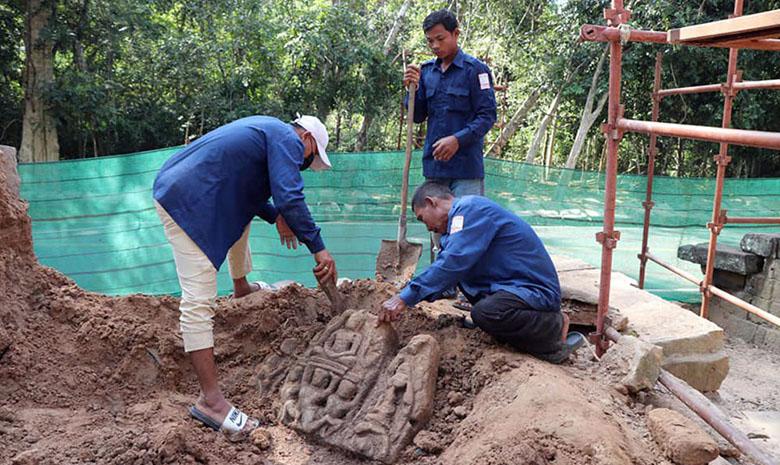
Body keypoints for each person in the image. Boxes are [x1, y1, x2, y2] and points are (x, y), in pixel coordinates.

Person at [152, 115, 338, 439]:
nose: (306, 165)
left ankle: (241, 287)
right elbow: (289, 195)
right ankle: (211, 402)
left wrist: (276, 213)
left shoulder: (268, 133)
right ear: (307, 138)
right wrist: (319, 248)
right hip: (188, 200)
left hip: (185, 186)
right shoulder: (287, 139)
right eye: (311, 158)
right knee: (198, 301)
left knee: (243, 217)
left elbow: (249, 194)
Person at [379, 182, 583, 363]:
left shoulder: (471, 210)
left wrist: (405, 297)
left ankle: (552, 334)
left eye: (423, 219)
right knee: (484, 313)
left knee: (486, 313)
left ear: (431, 202)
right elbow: (448, 270)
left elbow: (452, 263)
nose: (429, 228)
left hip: (531, 291)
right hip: (511, 290)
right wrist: (414, 294)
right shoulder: (455, 228)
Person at [403, 9, 497, 198]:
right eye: (430, 41)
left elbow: (487, 116)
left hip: (466, 171)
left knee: (466, 224)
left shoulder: (477, 70)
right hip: (434, 170)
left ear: (456, 33)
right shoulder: (426, 71)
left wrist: (457, 140)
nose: (435, 45)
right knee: (437, 226)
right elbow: (418, 116)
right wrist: (411, 89)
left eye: (440, 38)